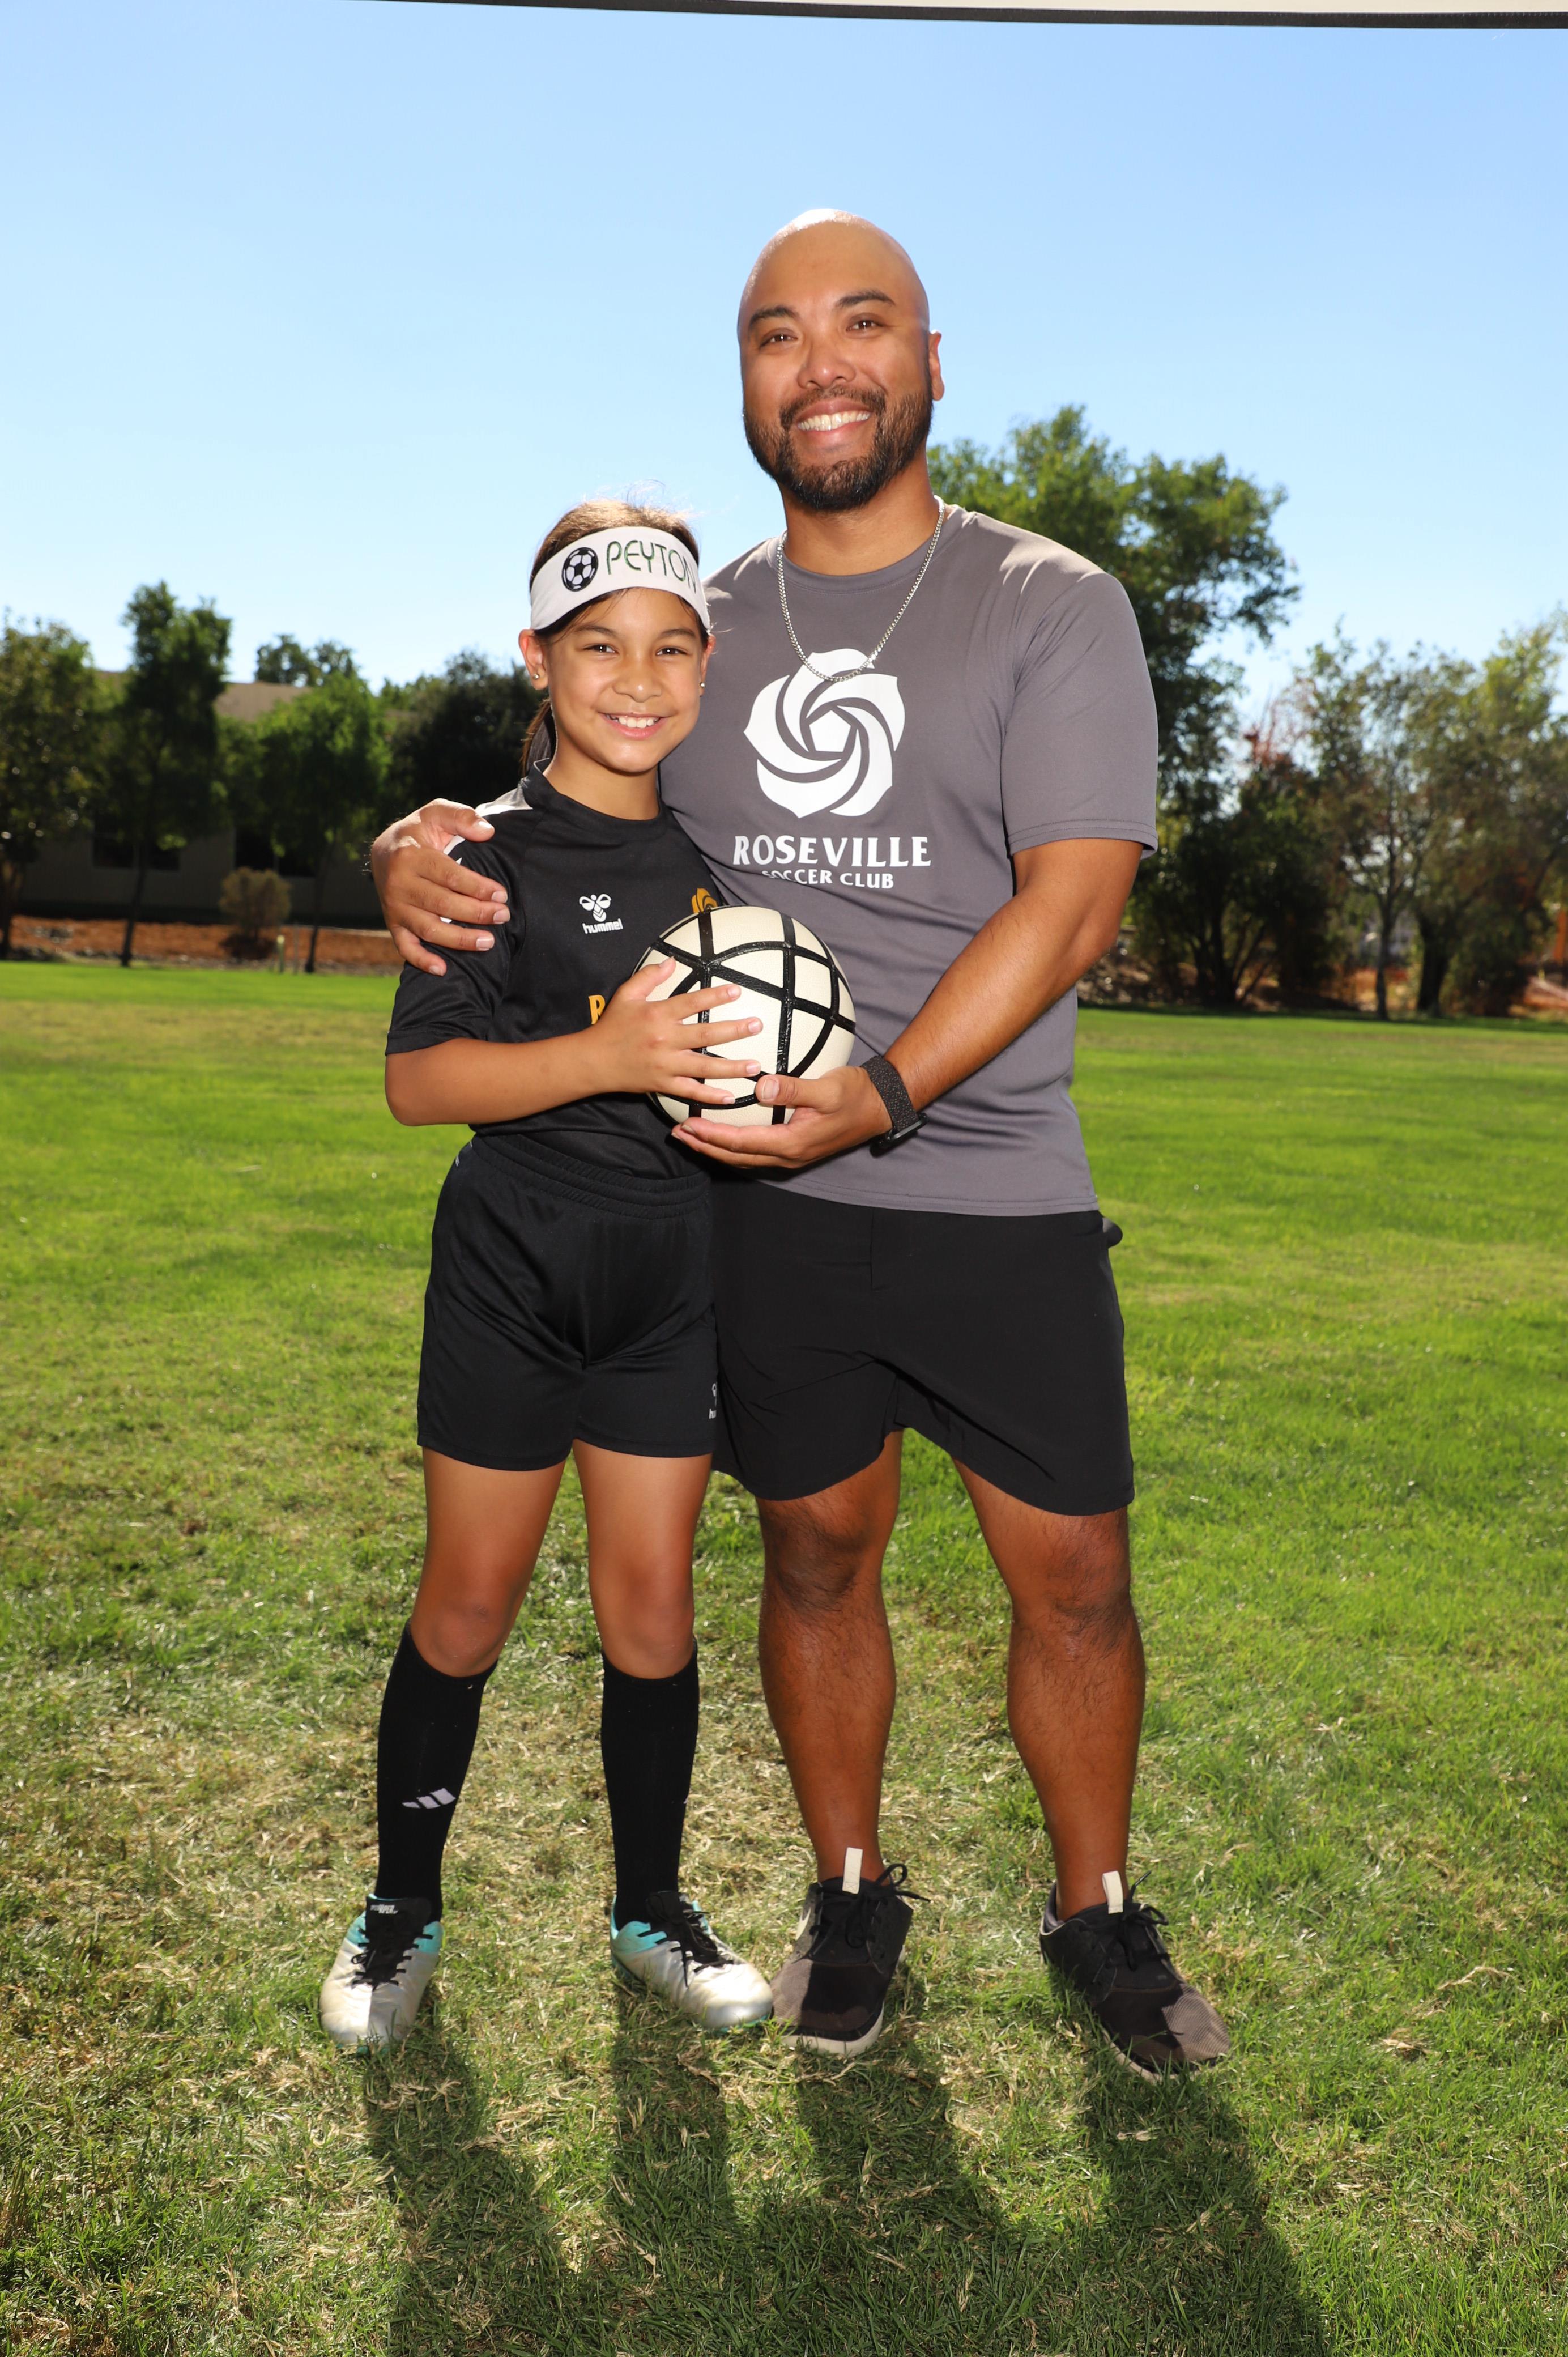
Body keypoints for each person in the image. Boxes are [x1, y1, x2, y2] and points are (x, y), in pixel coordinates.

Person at [370, 216, 1230, 2079]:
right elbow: (573, 773)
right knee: (821, 1551)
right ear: (745, 380)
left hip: (992, 1174)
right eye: (778, 333)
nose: (822, 363)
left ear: (933, 360)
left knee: (1075, 1571)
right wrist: (410, 845)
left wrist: (889, 1089)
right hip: (760, 1194)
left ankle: (1096, 1909)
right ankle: (848, 1893)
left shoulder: (1050, 603)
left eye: (864, 323)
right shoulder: (707, 625)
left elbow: (1076, 901)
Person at [320, 501, 775, 2050]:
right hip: (512, 1277)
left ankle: (652, 1907)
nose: (636, 680)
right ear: (537, 656)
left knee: (653, 1607)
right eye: (598, 648)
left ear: (706, 665)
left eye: (670, 649)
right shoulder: (478, 856)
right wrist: (609, 1054)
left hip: (669, 1282)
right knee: (468, 1602)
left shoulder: (724, 861)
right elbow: (421, 1085)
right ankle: (400, 1910)